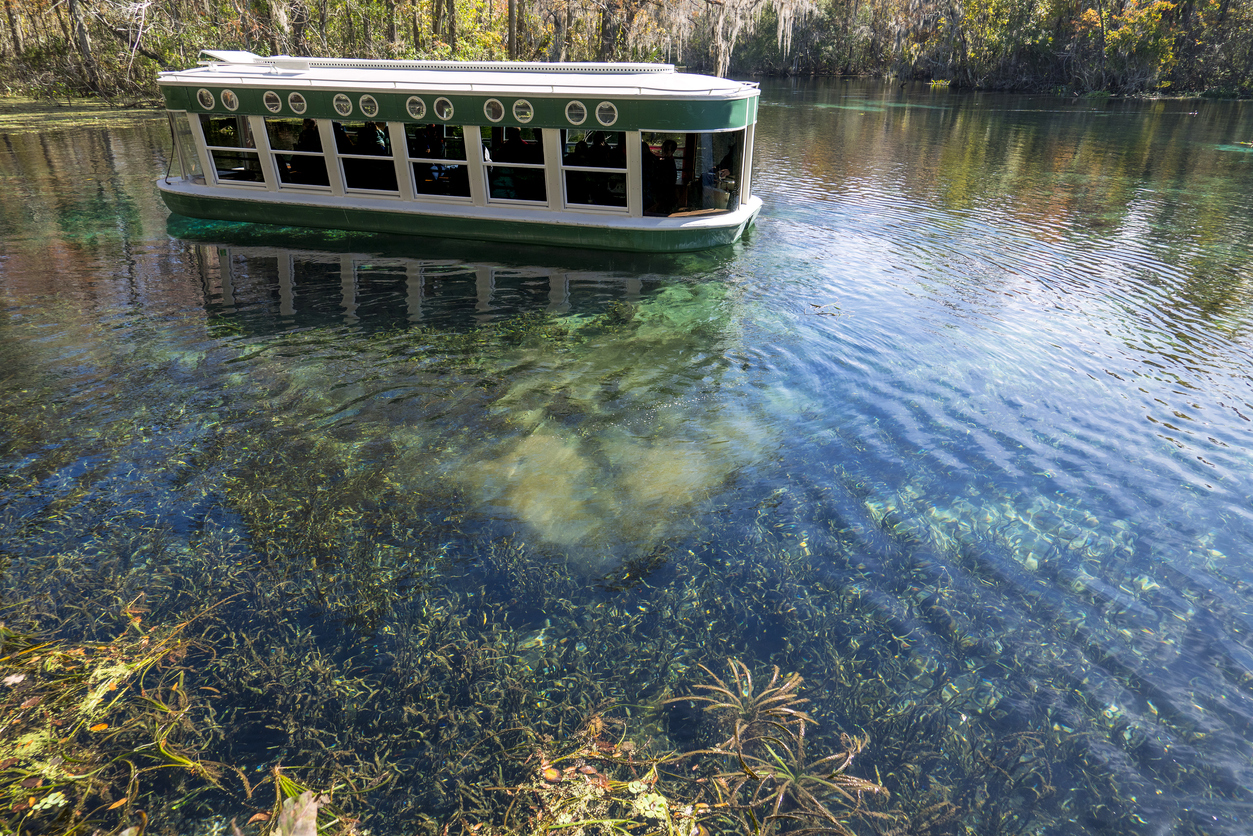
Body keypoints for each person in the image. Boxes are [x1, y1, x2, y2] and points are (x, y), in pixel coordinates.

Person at [649, 139, 678, 214]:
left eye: (666, 149)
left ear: (672, 151)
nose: (663, 151)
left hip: (664, 192)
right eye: (663, 149)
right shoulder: (668, 162)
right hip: (665, 192)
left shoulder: (667, 163)